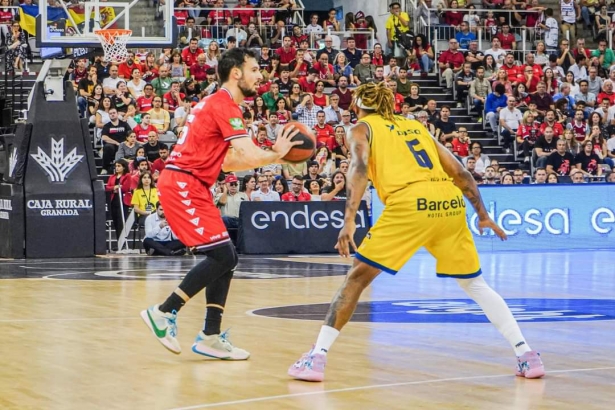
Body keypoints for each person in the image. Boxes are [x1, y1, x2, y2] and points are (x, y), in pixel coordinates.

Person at [288, 82, 545, 382]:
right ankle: (526, 354)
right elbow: (460, 172)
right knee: (475, 285)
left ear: (358, 104)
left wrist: (349, 220)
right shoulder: (415, 126)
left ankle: (316, 358)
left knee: (356, 279)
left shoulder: (360, 129)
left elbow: (358, 169)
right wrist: (483, 216)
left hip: (410, 203)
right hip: (449, 203)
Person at [141, 48, 301, 360]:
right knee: (221, 255)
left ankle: (210, 335)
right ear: (237, 73)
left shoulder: (215, 104)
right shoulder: (224, 104)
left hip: (193, 183)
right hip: (183, 183)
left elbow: (229, 163)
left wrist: (267, 155)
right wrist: (278, 153)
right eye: (255, 69)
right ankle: (164, 312)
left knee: (226, 256)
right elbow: (250, 155)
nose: (260, 76)